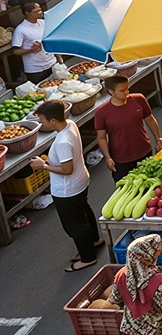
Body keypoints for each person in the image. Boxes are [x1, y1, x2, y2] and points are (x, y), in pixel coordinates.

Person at [31, 99, 100, 272]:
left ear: (52, 120)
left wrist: (43, 166)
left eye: (42, 120)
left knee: (75, 224)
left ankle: (88, 257)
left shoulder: (62, 141)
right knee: (84, 210)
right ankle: (94, 240)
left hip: (68, 189)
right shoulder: (70, 124)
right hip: (81, 179)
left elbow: (67, 169)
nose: (41, 123)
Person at [107, 233, 162, 335]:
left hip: (133, 327)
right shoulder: (158, 281)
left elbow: (115, 299)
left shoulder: (121, 274)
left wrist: (134, 304)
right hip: (157, 330)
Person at [95, 76, 162, 182]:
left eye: (127, 88)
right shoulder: (102, 112)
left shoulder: (139, 99)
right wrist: (108, 157)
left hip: (144, 151)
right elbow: (101, 137)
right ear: (111, 92)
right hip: (121, 160)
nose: (127, 92)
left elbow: (150, 120)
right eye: (122, 90)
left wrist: (158, 138)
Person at [12, 1, 57, 83]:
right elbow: (15, 51)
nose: (41, 12)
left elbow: (52, 41)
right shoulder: (20, 30)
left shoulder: (43, 22)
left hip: (52, 62)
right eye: (37, 11)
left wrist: (59, 59)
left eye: (40, 10)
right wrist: (31, 50)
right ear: (27, 13)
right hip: (35, 69)